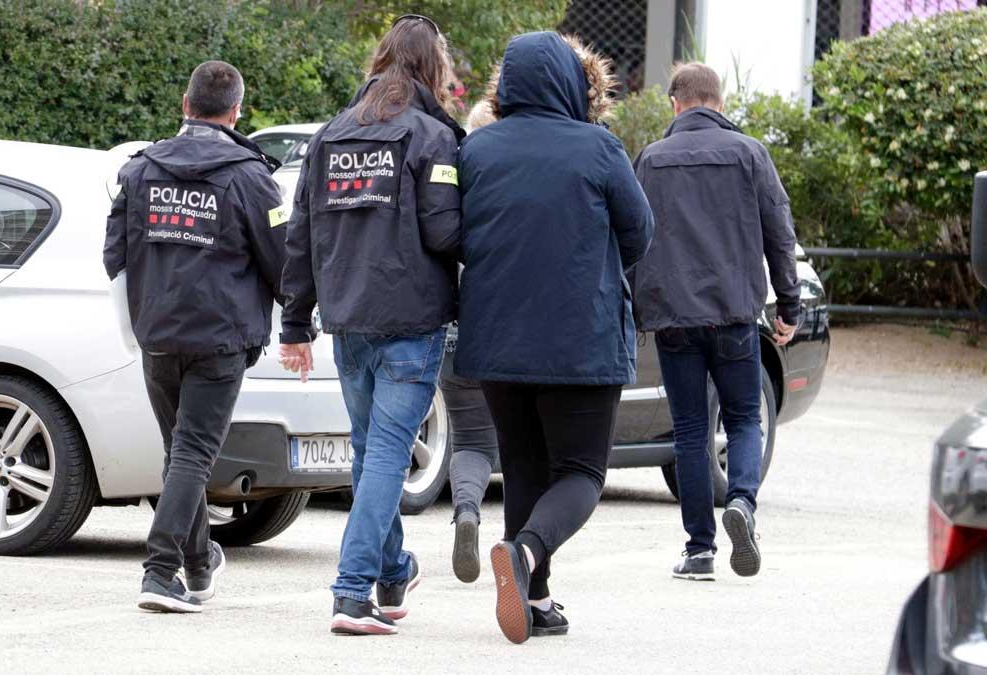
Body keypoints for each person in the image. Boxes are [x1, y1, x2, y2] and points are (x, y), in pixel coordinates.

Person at [456, 32, 653, 644]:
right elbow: (641, 233)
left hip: (496, 340)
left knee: (522, 467)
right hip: (579, 339)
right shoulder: (599, 148)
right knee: (581, 473)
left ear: (506, 83)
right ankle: (524, 553)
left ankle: (535, 600)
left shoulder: (477, 149)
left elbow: (455, 233)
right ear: (572, 82)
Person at [278, 14, 463, 636]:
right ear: (432, 68)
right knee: (384, 454)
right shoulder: (431, 137)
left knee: (370, 452)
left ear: (380, 61)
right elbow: (444, 232)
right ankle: (352, 592)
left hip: (348, 320)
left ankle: (392, 570)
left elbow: (300, 234)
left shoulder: (331, 135)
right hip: (411, 319)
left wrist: (296, 323)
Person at [103, 60, 287, 613]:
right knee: (192, 455)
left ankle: (199, 563)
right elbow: (283, 261)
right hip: (219, 340)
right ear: (236, 113)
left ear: (185, 106)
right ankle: (160, 572)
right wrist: (300, 318)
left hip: (157, 336)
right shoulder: (253, 177)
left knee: (180, 453)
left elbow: (114, 257)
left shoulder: (139, 171)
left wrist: (133, 329)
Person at [630, 62, 799, 581]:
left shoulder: (652, 160)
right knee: (745, 417)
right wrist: (788, 306)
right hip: (733, 314)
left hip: (674, 319)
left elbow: (632, 239)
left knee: (689, 431)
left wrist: (634, 312)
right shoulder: (750, 154)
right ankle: (743, 503)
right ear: (719, 103)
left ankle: (699, 548)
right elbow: (779, 230)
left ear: (675, 104)